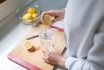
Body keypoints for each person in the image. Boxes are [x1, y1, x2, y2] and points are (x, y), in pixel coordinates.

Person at [41, 0, 104, 70]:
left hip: (81, 62)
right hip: (72, 53)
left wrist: (61, 61)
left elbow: (97, 68)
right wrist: (65, 12)